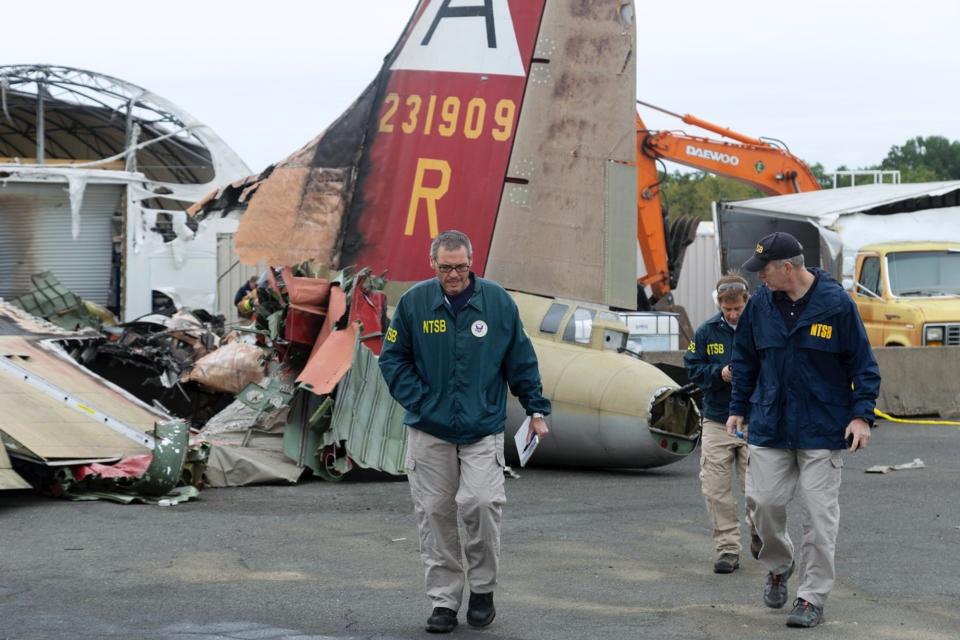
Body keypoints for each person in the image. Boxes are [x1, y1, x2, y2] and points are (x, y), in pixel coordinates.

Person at [378, 229, 551, 634]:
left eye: (461, 267)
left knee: (481, 503)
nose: (454, 275)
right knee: (435, 516)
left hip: (481, 427)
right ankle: (444, 602)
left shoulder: (497, 303)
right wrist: (419, 400)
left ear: (472, 264)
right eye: (446, 267)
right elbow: (392, 359)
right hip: (429, 429)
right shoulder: (414, 303)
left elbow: (520, 360)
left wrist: (536, 408)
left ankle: (483, 590)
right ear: (432, 263)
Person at [726, 232, 880, 628]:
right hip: (770, 423)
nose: (759, 278)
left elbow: (863, 365)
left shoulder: (836, 306)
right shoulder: (760, 306)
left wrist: (861, 416)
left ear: (787, 268)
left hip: (822, 427)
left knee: (819, 517)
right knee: (762, 503)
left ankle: (811, 598)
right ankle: (780, 565)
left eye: (765, 270)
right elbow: (744, 359)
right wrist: (738, 408)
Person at [684, 274, 759, 574]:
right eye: (727, 309)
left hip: (754, 421)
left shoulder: (760, 330)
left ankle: (760, 532)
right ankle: (728, 548)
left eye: (737, 308)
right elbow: (693, 369)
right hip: (717, 419)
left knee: (758, 489)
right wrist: (719, 373)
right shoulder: (705, 333)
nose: (732, 314)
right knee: (715, 489)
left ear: (746, 302)